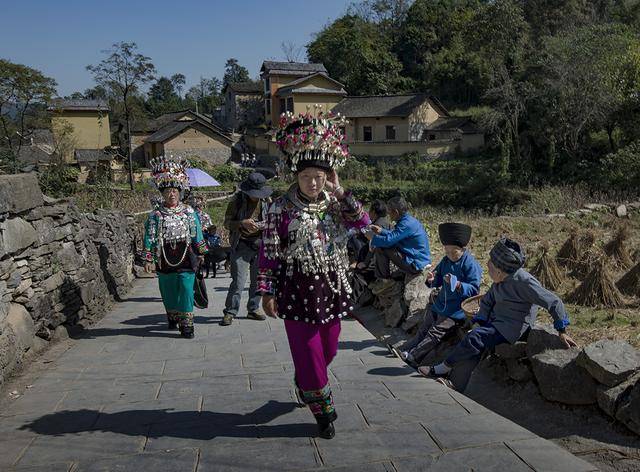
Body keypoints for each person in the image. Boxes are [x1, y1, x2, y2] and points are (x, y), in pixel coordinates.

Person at [259, 110, 370, 439]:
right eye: (307, 176)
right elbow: (268, 252)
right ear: (296, 175)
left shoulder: (334, 204)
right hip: (295, 288)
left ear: (328, 177)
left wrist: (341, 192)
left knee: (329, 347)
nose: (313, 182)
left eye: (319, 177)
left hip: (331, 286)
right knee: (308, 351)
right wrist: (267, 292)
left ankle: (305, 380)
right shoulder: (278, 207)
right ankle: (323, 411)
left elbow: (363, 225)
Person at [419, 237, 577, 391]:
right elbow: (487, 301)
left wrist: (562, 330)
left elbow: (554, 301)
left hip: (512, 326)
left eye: (491, 268)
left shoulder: (525, 283)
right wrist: (479, 321)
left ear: (501, 272)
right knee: (474, 340)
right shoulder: (499, 282)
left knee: (475, 337)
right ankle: (456, 383)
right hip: (497, 321)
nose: (487, 267)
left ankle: (442, 368)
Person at [142, 155, 207, 339]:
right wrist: (148, 258)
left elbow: (197, 234)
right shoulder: (156, 215)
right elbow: (150, 237)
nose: (171, 194)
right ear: (162, 193)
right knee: (168, 288)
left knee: (186, 287)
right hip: (164, 255)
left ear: (180, 191)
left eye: (174, 190)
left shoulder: (189, 212)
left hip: (185, 255)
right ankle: (172, 313)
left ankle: (187, 324)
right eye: (168, 191)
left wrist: (202, 252)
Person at [399, 223, 482, 366]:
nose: (450, 255)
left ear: (462, 249)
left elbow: (474, 289)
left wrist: (458, 285)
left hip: (456, 311)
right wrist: (431, 279)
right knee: (424, 329)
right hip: (440, 304)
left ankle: (414, 356)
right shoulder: (445, 261)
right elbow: (436, 279)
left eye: (453, 252)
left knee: (434, 333)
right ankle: (405, 348)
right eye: (447, 252)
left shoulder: (470, 264)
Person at [221, 172, 273, 326]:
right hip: (241, 244)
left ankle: (253, 308)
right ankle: (230, 311)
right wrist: (242, 223)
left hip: (260, 244)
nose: (255, 197)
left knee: (257, 281)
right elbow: (226, 223)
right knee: (238, 281)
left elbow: (273, 221)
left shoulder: (267, 202)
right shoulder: (237, 201)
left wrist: (264, 225)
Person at [365, 196, 431, 283]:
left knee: (381, 247)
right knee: (384, 244)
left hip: (416, 264)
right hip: (419, 259)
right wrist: (381, 231)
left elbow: (388, 241)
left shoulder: (405, 224)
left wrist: (373, 238)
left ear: (396, 212)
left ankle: (383, 280)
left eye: (389, 212)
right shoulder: (408, 220)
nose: (388, 214)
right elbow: (396, 235)